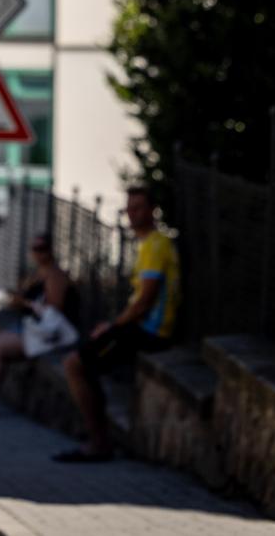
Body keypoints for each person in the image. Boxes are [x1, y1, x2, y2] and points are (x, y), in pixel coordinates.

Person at [54, 186, 180, 463]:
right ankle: (98, 438)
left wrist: (112, 328)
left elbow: (144, 301)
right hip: (140, 328)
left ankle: (98, 443)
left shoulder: (156, 245)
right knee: (82, 365)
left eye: (138, 208)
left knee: (74, 365)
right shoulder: (148, 244)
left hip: (150, 332)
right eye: (129, 209)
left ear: (153, 211)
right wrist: (112, 326)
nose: (132, 214)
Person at [0, 233, 77, 417]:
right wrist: (16, 300)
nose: (38, 253)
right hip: (31, 328)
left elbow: (53, 308)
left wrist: (25, 303)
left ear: (50, 250)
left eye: (42, 248)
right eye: (35, 249)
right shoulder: (35, 274)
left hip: (47, 334)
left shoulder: (55, 275)